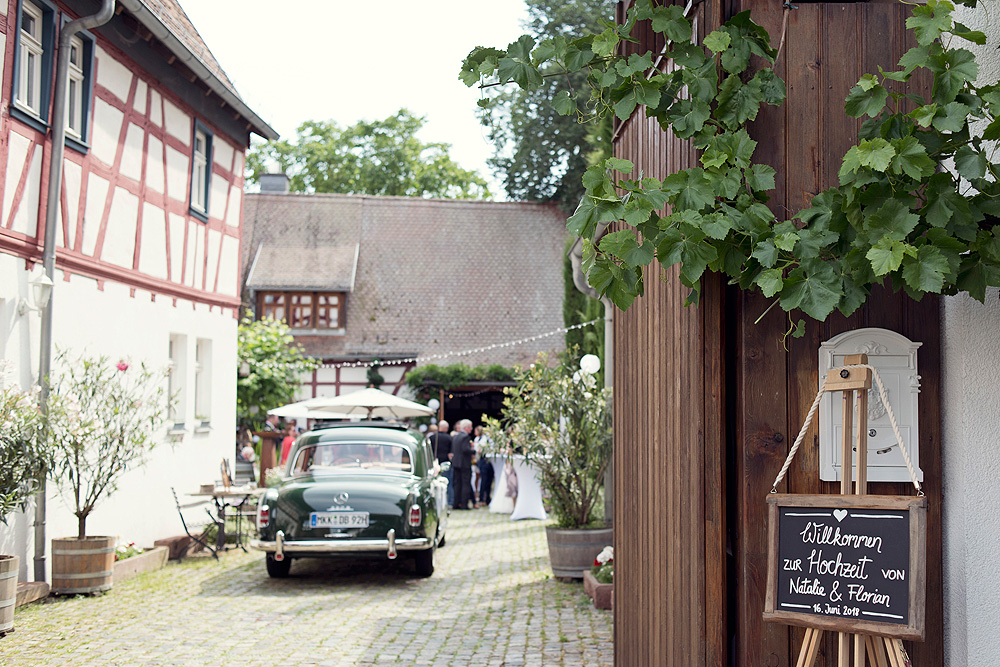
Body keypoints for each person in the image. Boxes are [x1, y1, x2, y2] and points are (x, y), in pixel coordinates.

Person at [451, 419, 475, 510]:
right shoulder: (465, 437)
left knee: (457, 484)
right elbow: (466, 450)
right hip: (464, 463)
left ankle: (456, 503)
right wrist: (474, 451)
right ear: (466, 427)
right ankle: (464, 504)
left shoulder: (456, 436)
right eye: (470, 427)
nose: (471, 429)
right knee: (466, 484)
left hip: (456, 463)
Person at [430, 420, 453, 506]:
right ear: (446, 428)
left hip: (434, 462)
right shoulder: (449, 438)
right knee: (448, 483)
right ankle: (449, 501)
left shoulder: (432, 437)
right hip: (445, 462)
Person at [474, 425, 494, 508]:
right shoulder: (478, 439)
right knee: (484, 480)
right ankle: (482, 498)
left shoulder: (488, 439)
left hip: (488, 460)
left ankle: (487, 498)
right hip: (482, 460)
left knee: (488, 480)